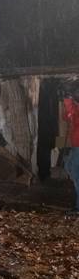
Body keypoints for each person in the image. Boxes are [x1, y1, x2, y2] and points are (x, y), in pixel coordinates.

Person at [61, 84, 79, 215]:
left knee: (76, 174)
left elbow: (72, 115)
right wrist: (68, 100)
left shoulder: (76, 109)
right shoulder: (75, 107)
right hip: (75, 144)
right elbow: (66, 117)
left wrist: (69, 101)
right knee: (69, 166)